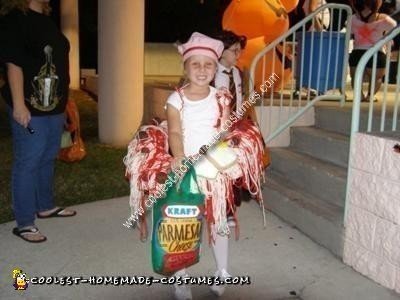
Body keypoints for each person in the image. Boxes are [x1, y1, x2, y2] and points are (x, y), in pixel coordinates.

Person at [124, 32, 265, 300]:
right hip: (186, 168)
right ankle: (181, 279)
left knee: (218, 220)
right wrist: (178, 157)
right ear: (185, 68)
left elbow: (223, 129)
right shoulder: (176, 100)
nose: (202, 70)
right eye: (195, 64)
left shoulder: (221, 96)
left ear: (215, 68)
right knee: (181, 223)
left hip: (212, 168)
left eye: (208, 64)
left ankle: (223, 271)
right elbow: (176, 132)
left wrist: (229, 153)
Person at [0, 0, 76, 243]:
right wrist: (19, 104)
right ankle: (24, 222)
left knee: (47, 155)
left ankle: (45, 206)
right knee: (29, 160)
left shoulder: (45, 20)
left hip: (54, 107)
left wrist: (65, 104)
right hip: (30, 108)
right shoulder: (15, 19)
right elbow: (13, 64)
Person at [349, 0, 397, 102]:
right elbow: (395, 27)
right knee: (376, 78)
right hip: (376, 53)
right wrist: (386, 37)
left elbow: (350, 31)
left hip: (357, 53)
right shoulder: (383, 18)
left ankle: (359, 95)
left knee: (356, 77)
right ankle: (370, 96)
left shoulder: (352, 18)